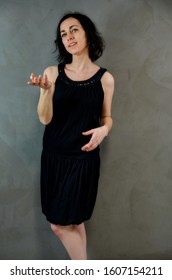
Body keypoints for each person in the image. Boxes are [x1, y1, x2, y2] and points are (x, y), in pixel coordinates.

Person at [28, 11, 114, 260]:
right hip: (55, 159)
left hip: (83, 161)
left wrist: (105, 129)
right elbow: (45, 119)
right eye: (63, 34)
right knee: (67, 223)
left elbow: (107, 117)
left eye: (74, 30)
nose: (69, 36)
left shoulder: (105, 79)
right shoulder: (52, 73)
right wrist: (45, 92)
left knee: (68, 224)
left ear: (87, 33)